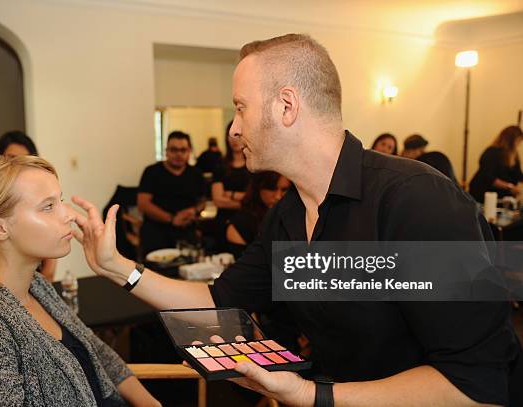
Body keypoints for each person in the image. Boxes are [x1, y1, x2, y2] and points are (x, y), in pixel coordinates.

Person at [72, 34, 520, 406]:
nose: (233, 128)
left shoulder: (414, 202)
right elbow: (218, 300)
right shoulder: (288, 215)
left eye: (241, 107)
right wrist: (116, 267)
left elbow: (477, 385)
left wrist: (312, 394)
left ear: (286, 106)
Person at [0, 155, 160, 407]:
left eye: (60, 201)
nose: (70, 215)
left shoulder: (37, 286)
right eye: (48, 206)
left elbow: (99, 352)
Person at [0, 130, 56, 281]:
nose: (18, 165)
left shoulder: (39, 196)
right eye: (12, 159)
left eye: (24, 160)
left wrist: (40, 288)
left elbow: (50, 262)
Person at [137, 131, 206, 256]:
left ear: (189, 151)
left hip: (187, 229)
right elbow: (143, 204)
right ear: (166, 151)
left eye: (183, 150)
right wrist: (172, 219)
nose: (178, 154)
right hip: (157, 229)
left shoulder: (196, 173)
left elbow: (202, 201)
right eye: (174, 150)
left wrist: (194, 211)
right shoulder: (152, 172)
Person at [226, 171, 290, 258]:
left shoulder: (299, 217)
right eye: (272, 188)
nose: (278, 196)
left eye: (284, 189)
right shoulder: (241, 224)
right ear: (258, 188)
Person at [211, 121, 252, 250]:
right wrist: (244, 200)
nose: (234, 140)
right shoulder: (220, 166)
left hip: (247, 222)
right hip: (223, 220)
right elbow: (218, 200)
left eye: (238, 135)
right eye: (231, 135)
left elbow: (254, 197)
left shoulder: (253, 165)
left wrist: (230, 194)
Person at [469, 125, 523, 202]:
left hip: (501, 196)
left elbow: (518, 175)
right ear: (511, 140)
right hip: (484, 194)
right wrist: (509, 186)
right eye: (518, 141)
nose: (519, 145)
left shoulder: (514, 156)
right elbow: (488, 178)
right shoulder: (491, 152)